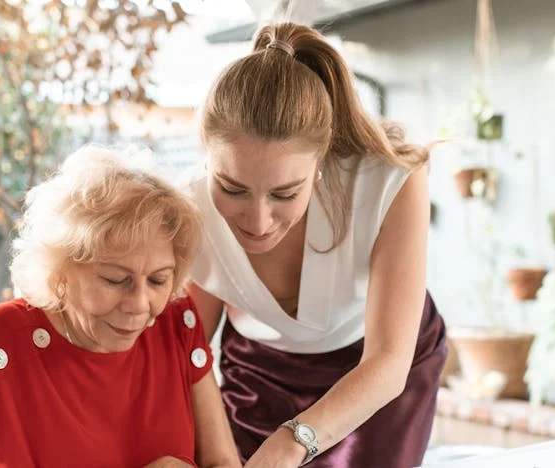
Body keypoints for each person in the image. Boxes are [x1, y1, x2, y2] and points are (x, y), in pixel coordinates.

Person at [0, 146, 241, 468]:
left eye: (159, 280)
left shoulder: (176, 320)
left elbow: (222, 461)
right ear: (61, 270)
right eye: (115, 280)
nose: (140, 305)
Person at [186, 23, 447, 467]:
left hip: (379, 372)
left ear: (321, 159)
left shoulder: (390, 180)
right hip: (257, 372)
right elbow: (185, 353)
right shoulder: (188, 208)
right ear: (206, 156)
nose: (257, 221)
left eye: (285, 194)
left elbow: (387, 361)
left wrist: (290, 443)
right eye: (232, 188)